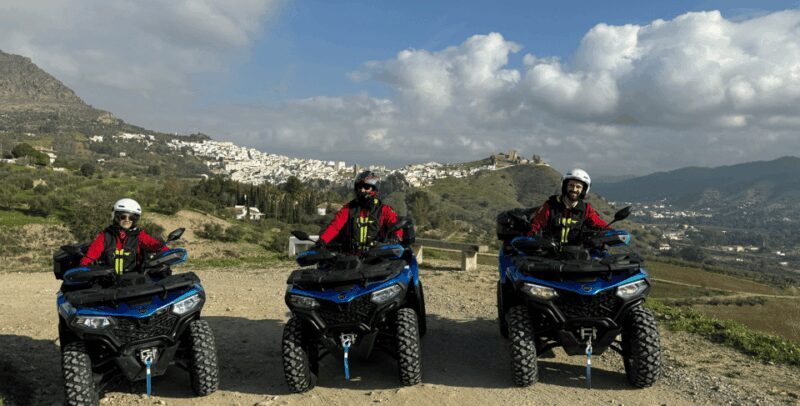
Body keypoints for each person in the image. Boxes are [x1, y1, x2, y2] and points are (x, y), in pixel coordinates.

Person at [318, 171, 403, 254]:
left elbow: (396, 225)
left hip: (377, 257)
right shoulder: (348, 208)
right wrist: (322, 241)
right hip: (351, 257)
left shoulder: (384, 209)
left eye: (366, 187)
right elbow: (335, 226)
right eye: (360, 187)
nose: (362, 190)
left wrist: (396, 237)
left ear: (374, 189)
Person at [80, 198, 168, 274]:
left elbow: (153, 244)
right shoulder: (106, 235)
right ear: (115, 216)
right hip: (108, 280)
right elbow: (91, 255)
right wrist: (82, 269)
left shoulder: (139, 235)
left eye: (132, 218)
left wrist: (168, 252)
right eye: (123, 217)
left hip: (134, 279)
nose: (127, 220)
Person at [528, 168, 608, 245]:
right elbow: (536, 226)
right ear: (565, 186)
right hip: (550, 252)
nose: (574, 189)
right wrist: (532, 239)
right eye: (571, 185)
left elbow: (601, 225)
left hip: (577, 252)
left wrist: (611, 233)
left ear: (583, 190)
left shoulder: (586, 209)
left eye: (578, 187)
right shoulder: (551, 205)